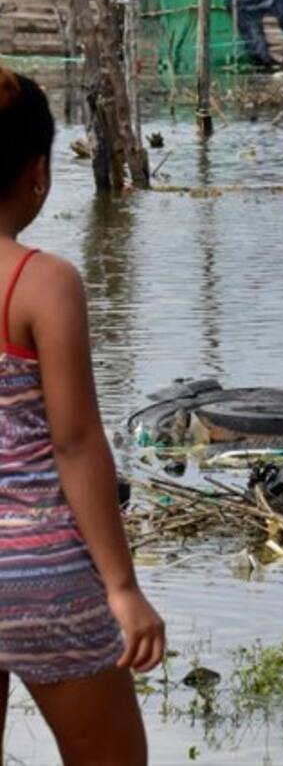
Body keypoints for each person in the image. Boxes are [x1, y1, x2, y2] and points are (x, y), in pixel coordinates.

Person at [0, 69, 165, 765]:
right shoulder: (41, 282)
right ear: (38, 173)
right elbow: (75, 443)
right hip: (41, 574)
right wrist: (122, 588)